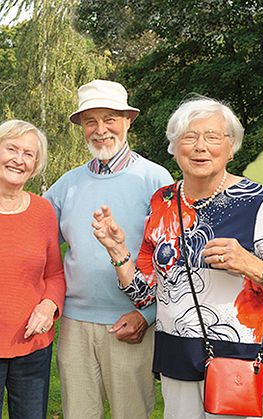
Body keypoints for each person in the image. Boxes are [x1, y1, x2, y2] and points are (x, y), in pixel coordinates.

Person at [91, 97, 263, 418]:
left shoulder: (256, 201)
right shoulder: (162, 201)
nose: (200, 147)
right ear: (174, 146)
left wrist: (251, 264)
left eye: (212, 137)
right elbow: (144, 294)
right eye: (189, 137)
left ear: (231, 146)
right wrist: (117, 251)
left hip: (238, 356)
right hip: (177, 354)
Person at [43, 79, 173, 419]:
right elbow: (34, 242)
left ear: (128, 121)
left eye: (110, 119)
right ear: (82, 128)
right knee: (78, 413)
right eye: (90, 121)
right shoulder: (66, 184)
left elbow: (172, 259)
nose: (100, 130)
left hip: (132, 324)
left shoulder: (155, 179)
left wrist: (148, 316)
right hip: (74, 325)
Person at [0, 120, 65, 419]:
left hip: (32, 347)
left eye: (28, 154)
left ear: (36, 164)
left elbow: (54, 274)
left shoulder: (43, 211)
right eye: (11, 148)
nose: (18, 159)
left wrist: (49, 305)